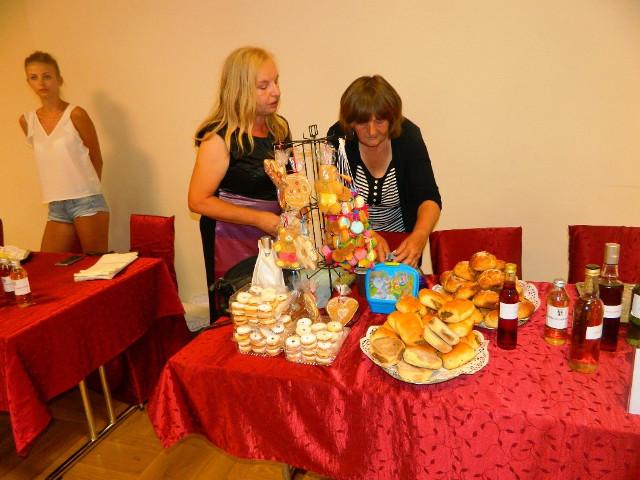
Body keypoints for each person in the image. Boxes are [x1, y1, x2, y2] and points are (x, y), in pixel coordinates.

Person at [188, 46, 290, 317]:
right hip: (230, 237)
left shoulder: (279, 128)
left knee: (276, 309)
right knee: (241, 311)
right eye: (264, 86)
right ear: (240, 90)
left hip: (272, 231)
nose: (276, 92)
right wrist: (258, 219)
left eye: (276, 81)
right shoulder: (218, 138)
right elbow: (197, 201)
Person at [327, 75, 442, 268]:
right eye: (362, 122)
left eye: (379, 121)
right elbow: (334, 202)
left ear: (392, 119)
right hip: (354, 244)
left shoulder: (408, 136)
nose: (372, 131)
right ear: (351, 122)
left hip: (401, 246)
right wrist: (366, 233)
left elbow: (429, 198)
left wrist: (420, 236)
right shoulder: (339, 139)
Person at [19, 51, 109, 254]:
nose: (41, 82)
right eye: (34, 77)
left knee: (97, 265)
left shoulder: (76, 114)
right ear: (28, 82)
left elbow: (96, 157)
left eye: (47, 76)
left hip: (86, 201)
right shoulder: (27, 121)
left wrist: (88, 190)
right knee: (48, 264)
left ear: (59, 79)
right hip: (56, 205)